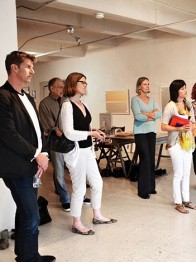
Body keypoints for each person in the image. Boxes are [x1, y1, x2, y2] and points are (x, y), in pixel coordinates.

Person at [0, 51, 56, 261]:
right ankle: (29, 258)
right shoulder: (2, 97)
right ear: (14, 68)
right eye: (28, 67)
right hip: (16, 167)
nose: (33, 71)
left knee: (25, 211)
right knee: (32, 215)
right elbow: (8, 134)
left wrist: (43, 154)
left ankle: (26, 255)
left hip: (32, 165)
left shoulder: (28, 98)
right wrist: (36, 154)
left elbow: (36, 130)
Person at [61, 72, 116, 235]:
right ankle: (76, 222)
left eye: (86, 82)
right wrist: (90, 134)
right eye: (82, 82)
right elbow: (69, 133)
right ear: (72, 84)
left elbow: (86, 128)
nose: (85, 85)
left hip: (88, 150)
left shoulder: (83, 104)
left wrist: (94, 131)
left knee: (97, 183)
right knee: (79, 188)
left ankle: (97, 215)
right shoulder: (67, 105)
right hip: (75, 152)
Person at [161, 79, 196, 214]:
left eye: (185, 88)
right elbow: (163, 126)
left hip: (188, 142)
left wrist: (190, 126)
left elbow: (193, 122)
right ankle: (178, 202)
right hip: (175, 143)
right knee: (178, 173)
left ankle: (186, 200)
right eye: (182, 88)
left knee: (187, 172)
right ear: (176, 90)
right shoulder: (170, 106)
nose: (185, 91)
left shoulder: (188, 104)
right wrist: (180, 128)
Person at [39, 77, 71, 211]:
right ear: (52, 88)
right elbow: (48, 125)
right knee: (59, 170)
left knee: (72, 168)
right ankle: (65, 199)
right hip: (56, 141)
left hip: (69, 138)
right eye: (60, 87)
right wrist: (58, 130)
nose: (62, 89)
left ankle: (67, 192)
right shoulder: (44, 104)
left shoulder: (66, 101)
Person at [131, 77, 162, 199]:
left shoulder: (152, 99)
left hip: (151, 132)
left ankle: (151, 187)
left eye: (148, 84)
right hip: (140, 133)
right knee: (145, 158)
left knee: (150, 159)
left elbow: (159, 113)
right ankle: (143, 190)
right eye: (145, 84)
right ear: (139, 86)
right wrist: (151, 115)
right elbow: (138, 116)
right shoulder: (135, 100)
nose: (147, 86)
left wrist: (147, 114)